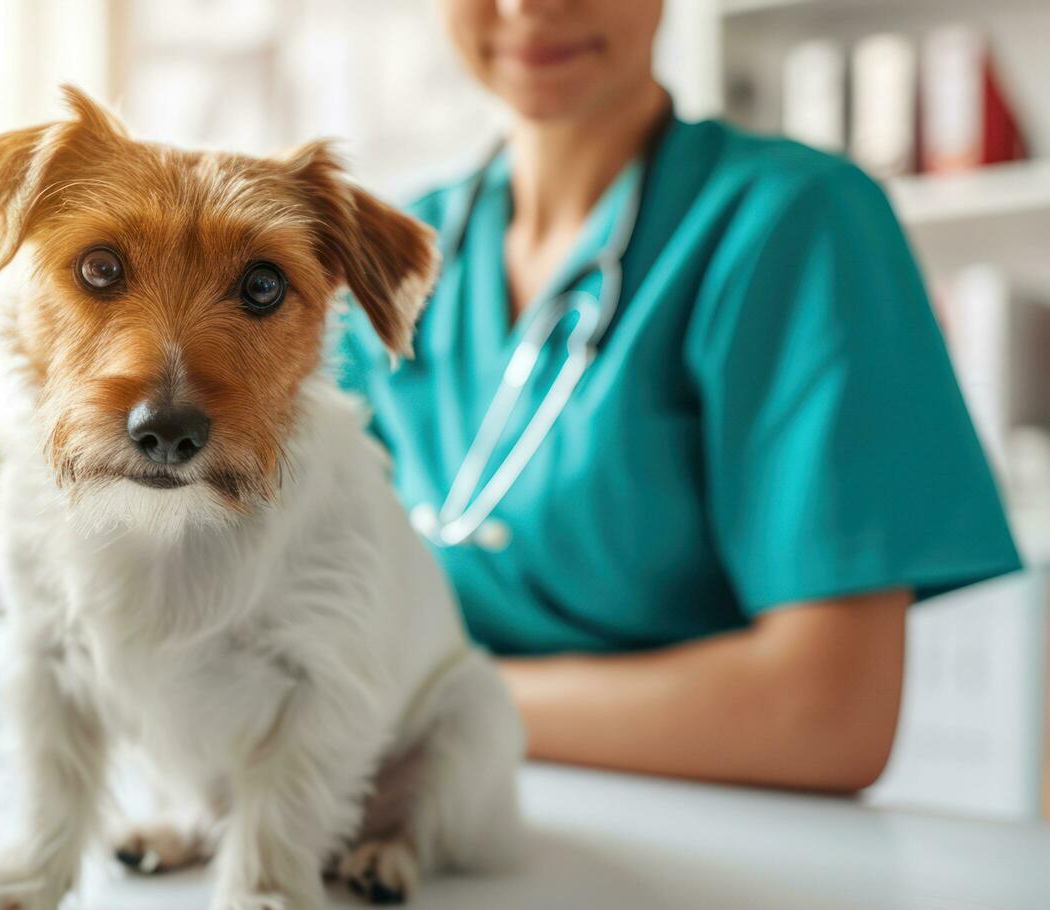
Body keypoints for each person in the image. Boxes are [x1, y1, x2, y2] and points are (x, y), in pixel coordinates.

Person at [335, 0, 1021, 792]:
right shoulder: (384, 257)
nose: (529, 7)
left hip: (704, 855)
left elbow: (828, 715)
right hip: (404, 820)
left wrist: (433, 704)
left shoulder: (797, 221)